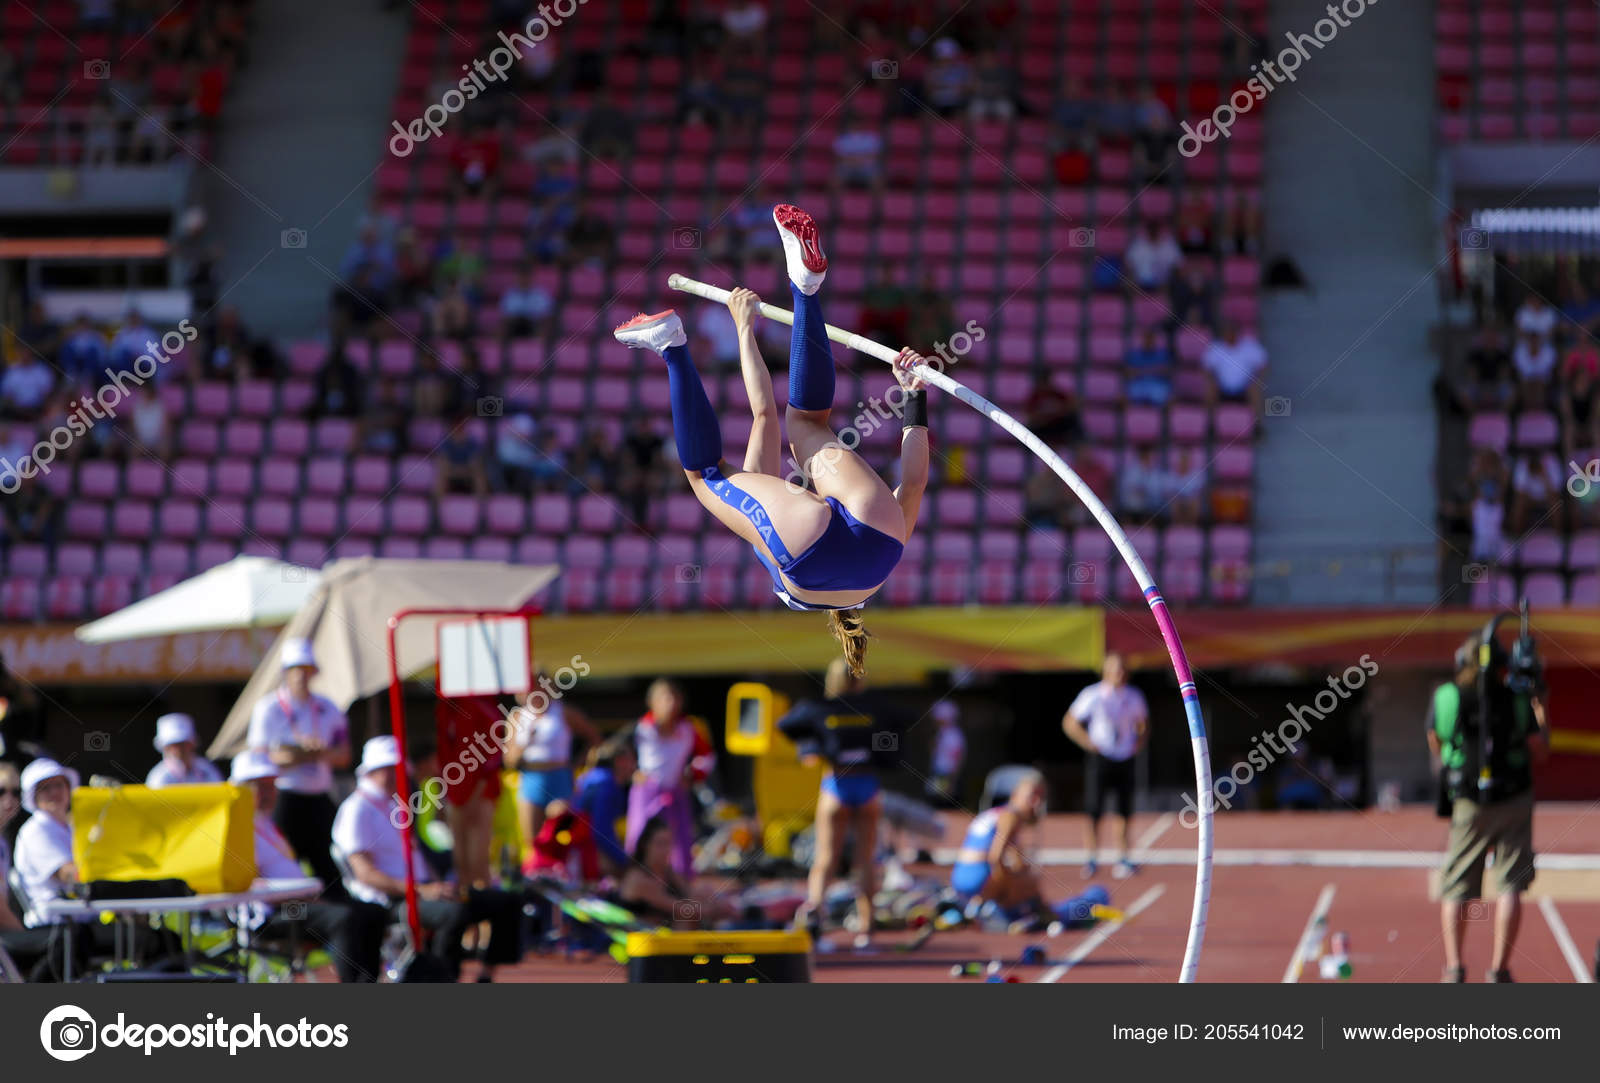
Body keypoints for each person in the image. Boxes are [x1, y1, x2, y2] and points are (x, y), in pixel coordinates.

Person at [612, 204, 930, 673]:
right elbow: (760, 413)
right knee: (705, 477)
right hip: (807, 559)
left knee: (809, 421)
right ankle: (672, 345)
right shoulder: (776, 546)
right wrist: (744, 329)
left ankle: (806, 288)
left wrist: (912, 396)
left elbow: (917, 481)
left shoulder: (871, 576)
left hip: (881, 544)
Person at [332, 736, 523, 982]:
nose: (395, 775)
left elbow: (415, 857)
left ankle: (485, 975)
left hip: (421, 889)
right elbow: (364, 873)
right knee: (452, 913)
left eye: (398, 769)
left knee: (505, 901)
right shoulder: (357, 809)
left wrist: (438, 886)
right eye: (388, 769)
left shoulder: (393, 805)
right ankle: (442, 979)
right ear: (371, 771)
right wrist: (421, 890)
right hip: (393, 899)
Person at [1426, 631, 1547, 983]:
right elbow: (1540, 748)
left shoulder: (1447, 695)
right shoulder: (1519, 696)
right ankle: (1499, 970)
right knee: (1511, 885)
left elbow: (1435, 737)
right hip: (1514, 798)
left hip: (1468, 801)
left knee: (1457, 886)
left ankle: (1453, 968)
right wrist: (1541, 704)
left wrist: (1451, 761)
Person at [230, 749, 387, 982]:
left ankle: (369, 981)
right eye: (259, 785)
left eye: (271, 785)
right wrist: (302, 896)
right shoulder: (236, 830)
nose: (268, 793)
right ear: (240, 789)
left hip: (298, 903)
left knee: (371, 911)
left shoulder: (265, 824)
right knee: (341, 917)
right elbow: (248, 885)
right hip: (272, 915)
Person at [777, 657, 902, 946]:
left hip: (836, 785)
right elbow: (902, 721)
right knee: (866, 859)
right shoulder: (873, 707)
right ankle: (867, 928)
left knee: (825, 859)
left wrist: (812, 747)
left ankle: (815, 920)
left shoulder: (821, 709)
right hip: (867, 784)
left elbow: (785, 724)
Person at [246, 638, 351, 900]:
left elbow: (345, 754)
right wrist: (304, 753)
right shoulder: (268, 708)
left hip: (318, 796)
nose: (301, 676)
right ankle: (295, 924)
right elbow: (260, 758)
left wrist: (315, 752)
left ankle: (335, 920)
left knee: (328, 865)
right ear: (285, 672)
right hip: (286, 797)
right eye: (295, 670)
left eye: (306, 670)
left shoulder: (327, 706)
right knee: (285, 863)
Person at [1061, 652, 1148, 879]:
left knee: (1123, 809)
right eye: (1114, 669)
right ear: (1106, 671)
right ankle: (1091, 858)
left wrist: (1137, 743)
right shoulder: (1093, 695)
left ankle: (1123, 857)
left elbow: (1143, 723)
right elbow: (1070, 722)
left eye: (1121, 669)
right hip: (1101, 757)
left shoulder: (1134, 695)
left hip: (1125, 757)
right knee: (1094, 809)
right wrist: (1088, 742)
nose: (1118, 673)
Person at [625, 679, 715, 879]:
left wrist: (691, 776)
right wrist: (633, 772)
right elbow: (617, 753)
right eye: (665, 698)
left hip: (675, 791)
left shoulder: (687, 729)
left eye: (675, 698)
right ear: (653, 702)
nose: (671, 703)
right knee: (642, 837)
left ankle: (680, 885)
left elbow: (707, 758)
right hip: (648, 791)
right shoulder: (642, 729)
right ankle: (639, 880)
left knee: (680, 841)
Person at [948, 770, 1059, 930]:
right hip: (978, 877)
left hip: (959, 877)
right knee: (1030, 883)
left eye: (1041, 798)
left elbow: (1016, 859)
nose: (1037, 803)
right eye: (1032, 796)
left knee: (1022, 876)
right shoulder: (1010, 816)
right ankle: (990, 906)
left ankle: (982, 905)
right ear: (1015, 795)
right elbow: (995, 857)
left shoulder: (996, 813)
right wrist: (1011, 888)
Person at [505, 679, 595, 875]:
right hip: (531, 777)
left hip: (559, 776)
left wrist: (579, 764)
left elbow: (593, 736)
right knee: (532, 839)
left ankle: (562, 875)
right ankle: (535, 879)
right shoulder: (518, 716)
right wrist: (525, 742)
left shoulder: (562, 712)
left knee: (560, 833)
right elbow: (509, 760)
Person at [432, 692, 504, 891]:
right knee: (461, 862)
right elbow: (444, 754)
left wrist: (475, 795)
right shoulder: (445, 708)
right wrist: (444, 794)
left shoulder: (482, 704)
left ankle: (486, 914)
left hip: (479, 793)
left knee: (478, 861)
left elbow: (493, 753)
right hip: (456, 793)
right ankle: (469, 915)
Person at [616, 816, 731, 928]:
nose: (666, 850)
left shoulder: (667, 871)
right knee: (686, 918)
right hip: (642, 939)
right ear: (645, 845)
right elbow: (682, 909)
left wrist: (715, 899)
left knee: (704, 892)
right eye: (660, 843)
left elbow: (690, 892)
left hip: (665, 935)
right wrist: (716, 910)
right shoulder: (638, 878)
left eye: (668, 843)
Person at [572, 736, 635, 877]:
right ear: (620, 761)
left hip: (579, 848)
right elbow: (601, 831)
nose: (634, 766)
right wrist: (625, 861)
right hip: (583, 852)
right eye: (632, 760)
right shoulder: (606, 785)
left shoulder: (596, 778)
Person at [145, 713, 222, 788]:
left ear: (192, 744)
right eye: (174, 744)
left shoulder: (207, 769)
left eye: (184, 743)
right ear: (165, 747)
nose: (180, 749)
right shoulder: (158, 777)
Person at [927, 699, 966, 807]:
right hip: (939, 774)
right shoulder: (941, 733)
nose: (935, 720)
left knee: (945, 805)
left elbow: (957, 758)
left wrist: (952, 781)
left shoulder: (953, 734)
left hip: (947, 776)